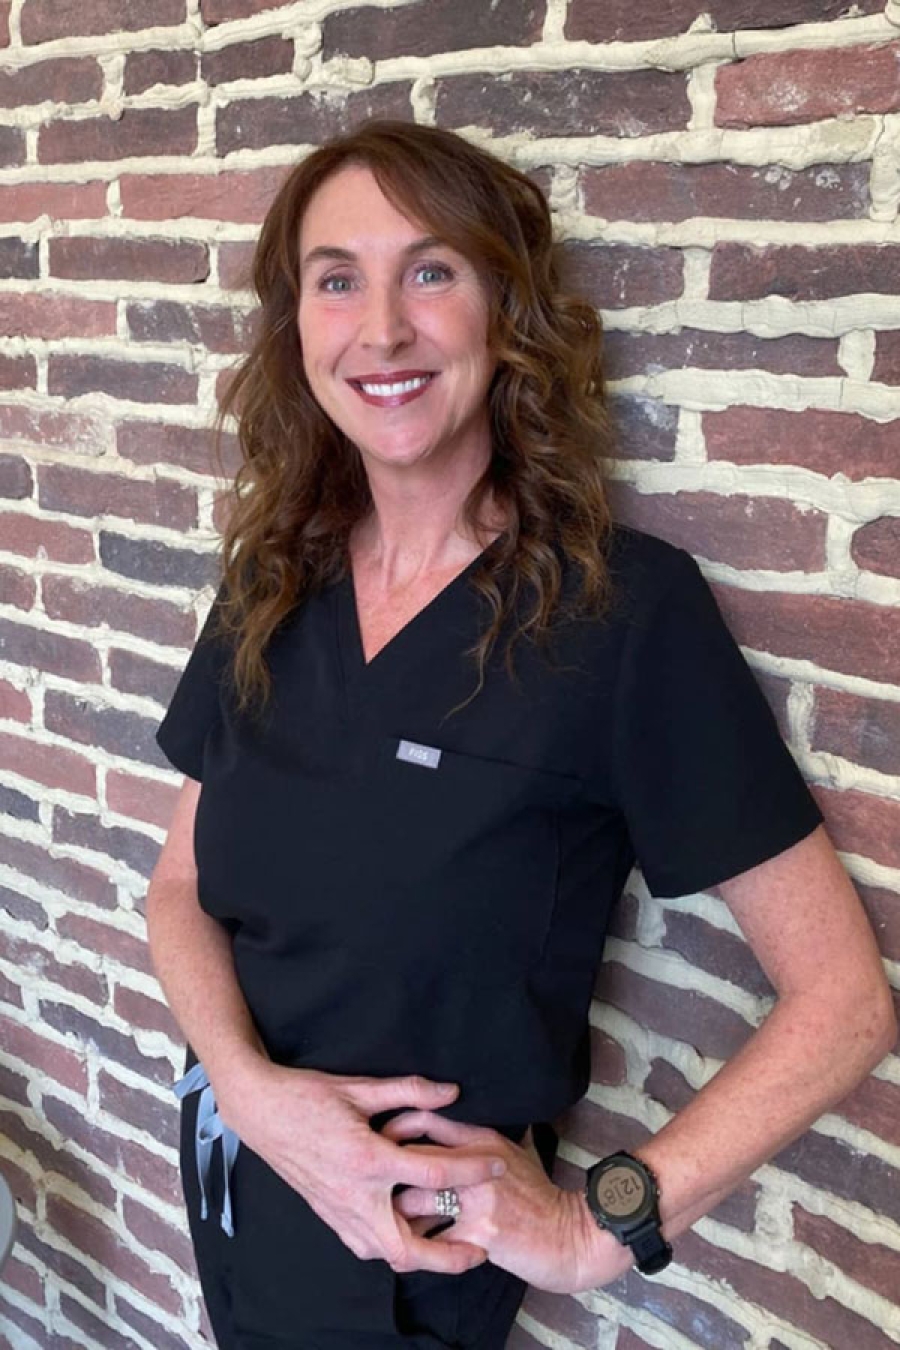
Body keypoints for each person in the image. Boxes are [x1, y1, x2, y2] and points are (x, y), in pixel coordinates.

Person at [147, 119, 896, 1350]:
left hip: (409, 1270)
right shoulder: (272, 581)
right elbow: (180, 886)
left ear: (507, 311)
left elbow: (846, 1002)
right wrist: (250, 1091)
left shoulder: (623, 613)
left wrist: (597, 1230)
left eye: (431, 271)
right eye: (337, 281)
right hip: (233, 1177)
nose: (382, 329)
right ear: (297, 328)